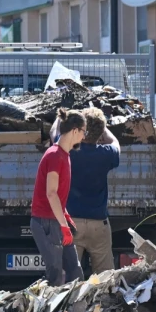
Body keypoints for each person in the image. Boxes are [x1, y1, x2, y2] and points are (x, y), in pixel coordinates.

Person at [31, 110, 86, 286]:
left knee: (75, 272)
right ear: (75, 131)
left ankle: (75, 305)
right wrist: (63, 225)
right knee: (55, 276)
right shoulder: (55, 155)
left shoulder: (63, 154)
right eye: (83, 131)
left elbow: (57, 195)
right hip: (46, 223)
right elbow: (51, 193)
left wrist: (65, 217)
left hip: (55, 221)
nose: (84, 136)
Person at [66, 109, 120, 276]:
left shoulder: (69, 151)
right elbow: (115, 143)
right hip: (99, 224)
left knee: (68, 280)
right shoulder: (106, 154)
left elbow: (55, 135)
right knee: (106, 277)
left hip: (72, 224)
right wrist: (103, 129)